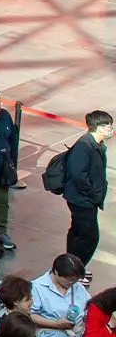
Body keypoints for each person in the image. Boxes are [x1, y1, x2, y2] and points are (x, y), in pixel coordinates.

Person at [59, 110, 111, 264]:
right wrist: (93, 192)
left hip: (86, 198)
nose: (111, 129)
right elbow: (77, 174)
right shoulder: (84, 146)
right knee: (89, 236)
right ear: (99, 127)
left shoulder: (96, 145)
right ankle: (76, 267)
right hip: (82, 199)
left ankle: (72, 264)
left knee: (78, 231)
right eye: (108, 126)